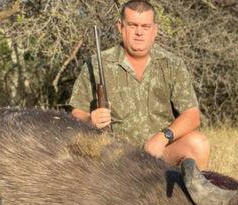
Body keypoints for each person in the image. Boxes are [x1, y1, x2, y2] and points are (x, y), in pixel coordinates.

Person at [68, 0, 210, 169]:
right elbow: (76, 113)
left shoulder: (172, 64)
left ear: (154, 30)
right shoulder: (97, 64)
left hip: (161, 153)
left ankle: (191, 195)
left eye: (145, 26)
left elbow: (192, 116)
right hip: (114, 158)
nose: (139, 32)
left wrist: (163, 137)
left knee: (199, 143)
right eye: (133, 25)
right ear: (120, 27)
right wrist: (90, 119)